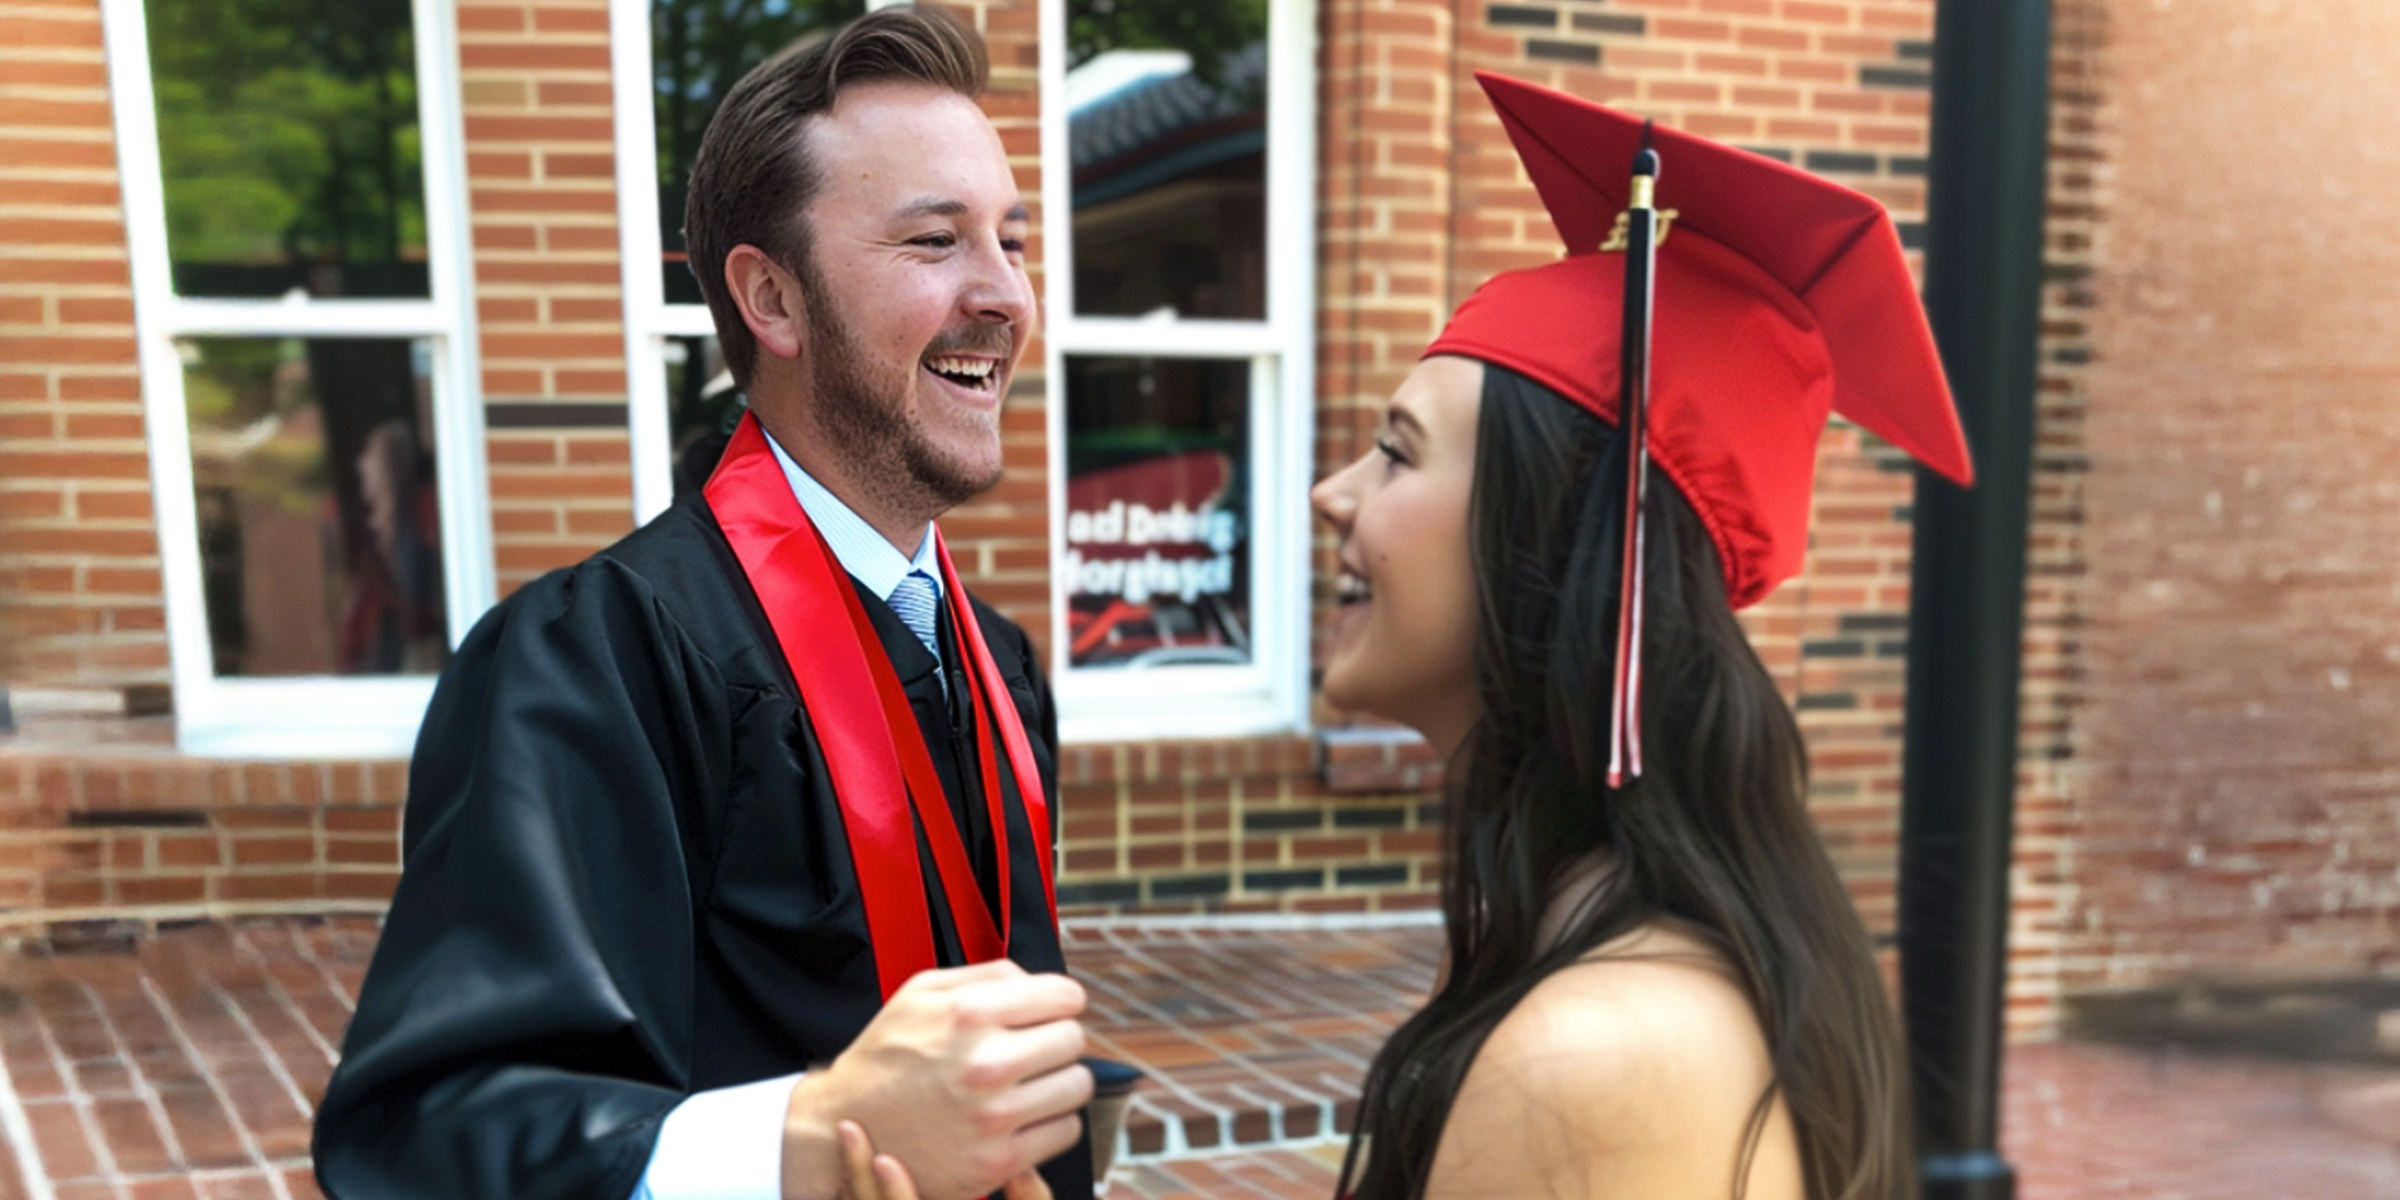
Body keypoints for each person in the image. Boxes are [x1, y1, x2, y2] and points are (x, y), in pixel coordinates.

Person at [309, 9, 1097, 1200]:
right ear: (770, 303)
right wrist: (807, 1138)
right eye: (937, 241)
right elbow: (430, 1132)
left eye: (1014, 242)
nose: (1003, 296)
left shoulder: (995, 663)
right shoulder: (592, 663)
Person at [1312, 74, 1976, 1200]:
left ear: (1563, 536)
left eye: (1398, 450)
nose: (1336, 492)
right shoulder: (1621, 938)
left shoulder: (1602, 1052)